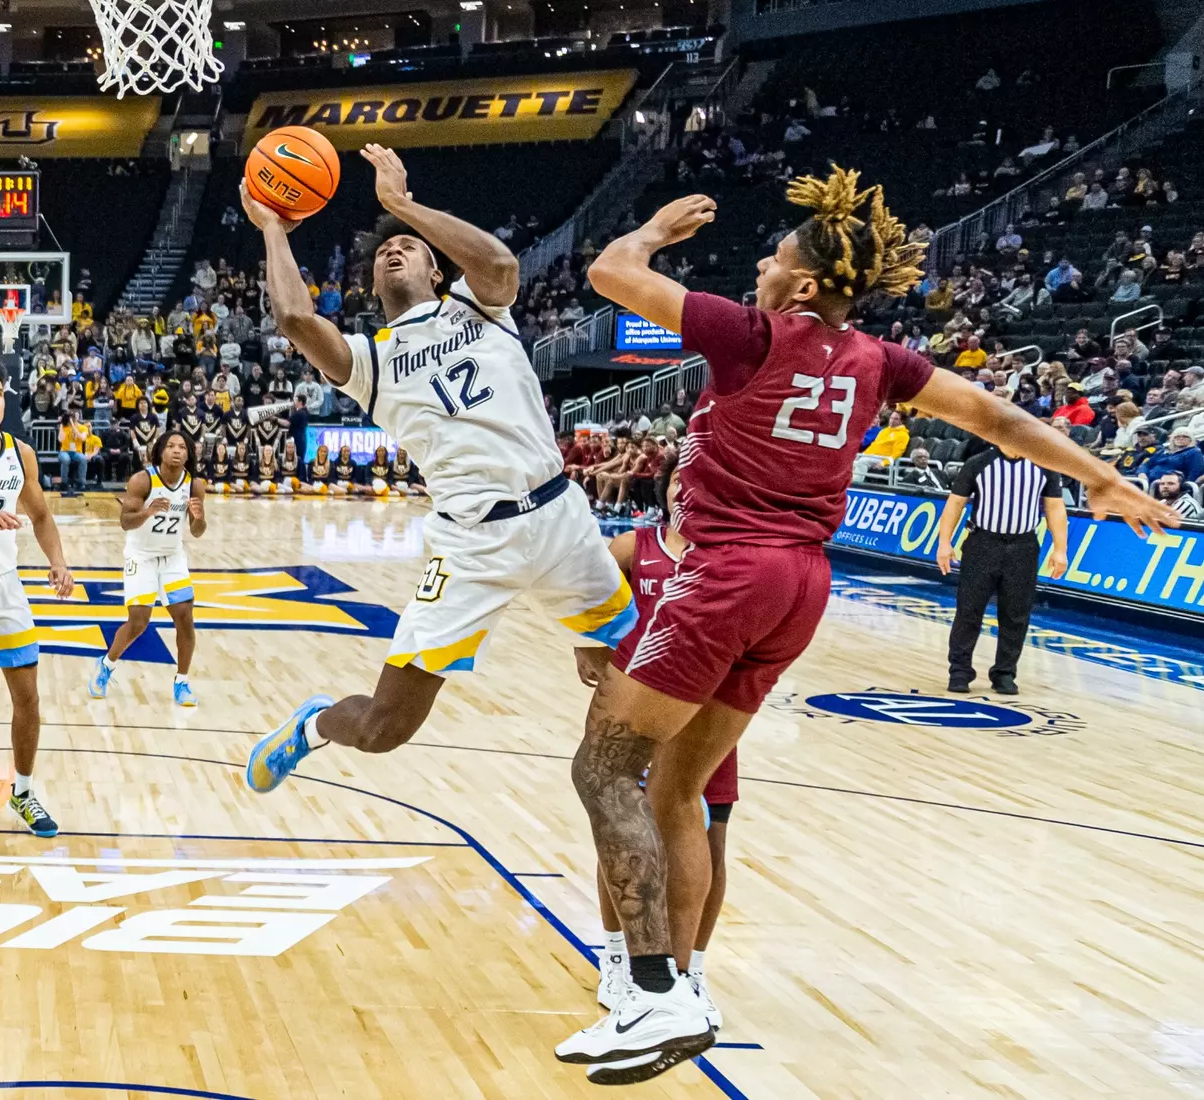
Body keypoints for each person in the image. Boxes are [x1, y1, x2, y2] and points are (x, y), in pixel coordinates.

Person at [568, 169, 1178, 1084]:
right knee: (676, 793)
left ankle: (651, 995)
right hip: (802, 586)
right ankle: (683, 987)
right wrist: (1096, 476)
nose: (764, 269)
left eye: (775, 259)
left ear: (804, 286)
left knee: (605, 764)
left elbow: (611, 273)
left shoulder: (749, 335)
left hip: (729, 571)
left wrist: (652, 229)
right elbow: (999, 415)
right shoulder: (881, 362)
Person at [237, 143, 636, 796]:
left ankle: (651, 787)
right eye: (382, 252)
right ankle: (311, 727)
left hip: (561, 518)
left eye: (409, 247)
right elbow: (293, 317)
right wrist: (274, 228)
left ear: (436, 268)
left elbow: (501, 262)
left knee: (631, 667)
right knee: (382, 729)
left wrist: (403, 206)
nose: (393, 250)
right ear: (371, 284)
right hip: (471, 542)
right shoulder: (370, 360)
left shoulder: (483, 309)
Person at [575, 472, 733, 1028]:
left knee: (710, 839)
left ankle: (692, 973)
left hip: (706, 715)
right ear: (665, 494)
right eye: (678, 487)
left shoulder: (728, 558)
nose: (687, 495)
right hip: (637, 710)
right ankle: (617, 958)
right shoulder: (636, 546)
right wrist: (587, 641)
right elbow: (584, 580)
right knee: (620, 833)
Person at [0, 355, 75, 857]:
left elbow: (40, 514)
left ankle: (22, 791)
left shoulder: (20, 453)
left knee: (29, 696)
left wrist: (59, 562)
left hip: (7, 585)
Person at [937, 446, 1070, 693]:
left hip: (1023, 546)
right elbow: (955, 503)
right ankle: (959, 671)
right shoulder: (978, 462)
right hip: (982, 543)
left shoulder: (1044, 465)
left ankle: (1005, 672)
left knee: (1016, 613)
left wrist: (1060, 549)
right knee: (968, 610)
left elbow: (1054, 507)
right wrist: (944, 543)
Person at [90, 430, 207, 705]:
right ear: (160, 451)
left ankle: (182, 681)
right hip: (140, 556)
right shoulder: (142, 480)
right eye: (171, 446)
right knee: (139, 622)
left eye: (182, 447)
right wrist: (148, 511)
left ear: (188, 454)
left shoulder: (195, 485)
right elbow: (125, 522)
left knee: (184, 617)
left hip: (172, 557)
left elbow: (198, 531)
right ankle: (106, 664)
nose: (177, 451)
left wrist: (199, 519)